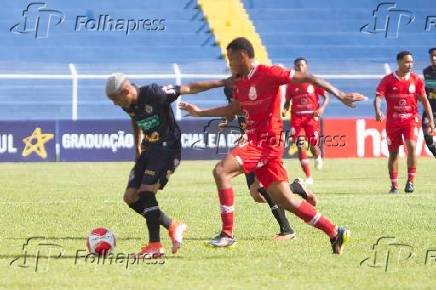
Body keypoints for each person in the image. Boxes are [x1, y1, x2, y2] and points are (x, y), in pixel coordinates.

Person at [180, 37, 366, 254]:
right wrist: (200, 112)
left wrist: (341, 94)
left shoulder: (269, 73)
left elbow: (308, 76)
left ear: (242, 56)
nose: (229, 63)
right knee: (286, 200)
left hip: (265, 143)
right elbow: (235, 108)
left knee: (221, 171)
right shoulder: (239, 82)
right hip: (261, 143)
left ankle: (227, 234)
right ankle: (335, 231)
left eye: (231, 59)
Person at [105, 73, 228, 257]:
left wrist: (224, 82)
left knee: (146, 192)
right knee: (130, 197)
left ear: (125, 90)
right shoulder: (128, 103)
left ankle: (155, 246)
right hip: (148, 149)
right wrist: (137, 145)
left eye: (115, 99)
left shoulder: (154, 93)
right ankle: (173, 225)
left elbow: (189, 87)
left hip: (167, 148)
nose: (115, 104)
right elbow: (135, 119)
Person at [221, 87, 318, 241]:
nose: (231, 101)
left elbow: (265, 121)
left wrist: (248, 136)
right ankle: (296, 187)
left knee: (265, 188)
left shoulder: (254, 102)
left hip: (264, 147)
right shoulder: (238, 104)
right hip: (250, 147)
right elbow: (233, 113)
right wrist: (226, 121)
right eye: (229, 98)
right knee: (257, 194)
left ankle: (286, 229)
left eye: (232, 97)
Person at [374, 51, 435, 194]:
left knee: (412, 146)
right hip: (393, 122)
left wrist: (431, 120)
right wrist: (378, 110)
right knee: (393, 154)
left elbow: (425, 101)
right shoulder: (388, 80)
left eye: (411, 62)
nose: (410, 65)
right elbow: (378, 97)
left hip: (410, 119)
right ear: (399, 62)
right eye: (407, 62)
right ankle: (394, 185)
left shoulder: (416, 80)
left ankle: (410, 182)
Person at [284, 57, 329, 185]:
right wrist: (285, 107)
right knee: (300, 145)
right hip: (297, 118)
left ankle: (317, 156)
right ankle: (308, 176)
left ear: (306, 66)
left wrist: (321, 108)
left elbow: (326, 97)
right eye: (297, 66)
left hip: (311, 117)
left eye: (302, 65)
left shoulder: (313, 81)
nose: (299, 67)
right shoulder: (291, 83)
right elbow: (287, 101)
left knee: (313, 145)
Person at [422, 47, 436, 157]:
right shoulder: (426, 71)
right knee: (427, 136)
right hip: (430, 109)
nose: (434, 58)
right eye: (432, 56)